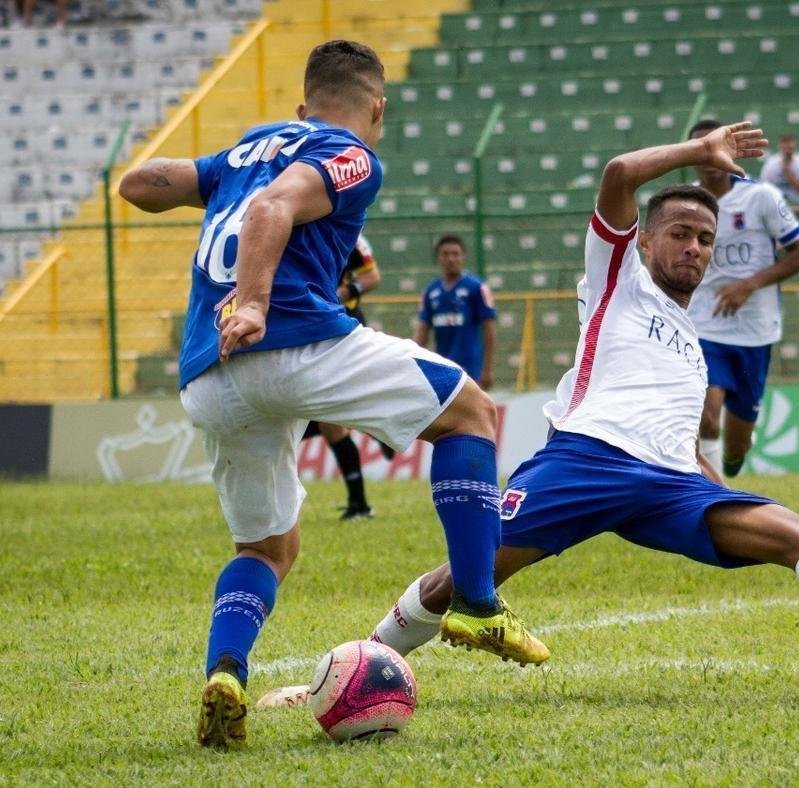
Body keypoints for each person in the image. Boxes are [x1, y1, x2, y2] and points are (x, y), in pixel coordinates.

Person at [344, 124, 799, 675]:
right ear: (646, 238)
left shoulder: (693, 349)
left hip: (670, 485)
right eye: (681, 232)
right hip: (585, 463)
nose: (693, 246)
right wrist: (699, 151)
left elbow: (686, 445)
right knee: (461, 582)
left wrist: (720, 493)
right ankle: (360, 662)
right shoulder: (617, 280)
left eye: (705, 239)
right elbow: (617, 174)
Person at [118, 39, 546, 749]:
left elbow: (139, 183)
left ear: (300, 108)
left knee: (266, 546)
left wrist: (216, 172)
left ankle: (226, 671)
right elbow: (271, 210)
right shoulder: (352, 156)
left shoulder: (252, 148)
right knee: (470, 412)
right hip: (287, 340)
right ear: (377, 108)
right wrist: (253, 302)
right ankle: (477, 602)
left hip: (209, 374)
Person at [688, 118, 799, 479]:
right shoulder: (688, 203)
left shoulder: (762, 197)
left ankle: (733, 460)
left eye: (713, 147)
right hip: (704, 325)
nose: (707, 156)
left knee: (736, 445)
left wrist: (749, 284)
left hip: (755, 332)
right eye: (699, 150)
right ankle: (716, 500)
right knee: (707, 418)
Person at [300, 232, 396, 522]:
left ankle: (360, 504)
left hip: (342, 328)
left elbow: (373, 275)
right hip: (308, 329)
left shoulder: (350, 233)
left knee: (329, 421)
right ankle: (378, 424)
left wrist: (346, 290)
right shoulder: (292, 225)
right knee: (326, 420)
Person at [413, 235, 497, 390]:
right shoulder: (431, 291)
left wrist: (488, 369)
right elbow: (422, 332)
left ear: (463, 257)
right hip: (443, 368)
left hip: (471, 369)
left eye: (455, 254)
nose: (450, 259)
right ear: (438, 258)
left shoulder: (477, 287)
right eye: (445, 254)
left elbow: (489, 329)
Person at [758, 133, 799, 219]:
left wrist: (788, 174)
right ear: (780, 147)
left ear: (794, 147)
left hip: (798, 203)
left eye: (790, 148)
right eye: (785, 147)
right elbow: (764, 186)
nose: (787, 150)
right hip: (777, 203)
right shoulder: (770, 164)